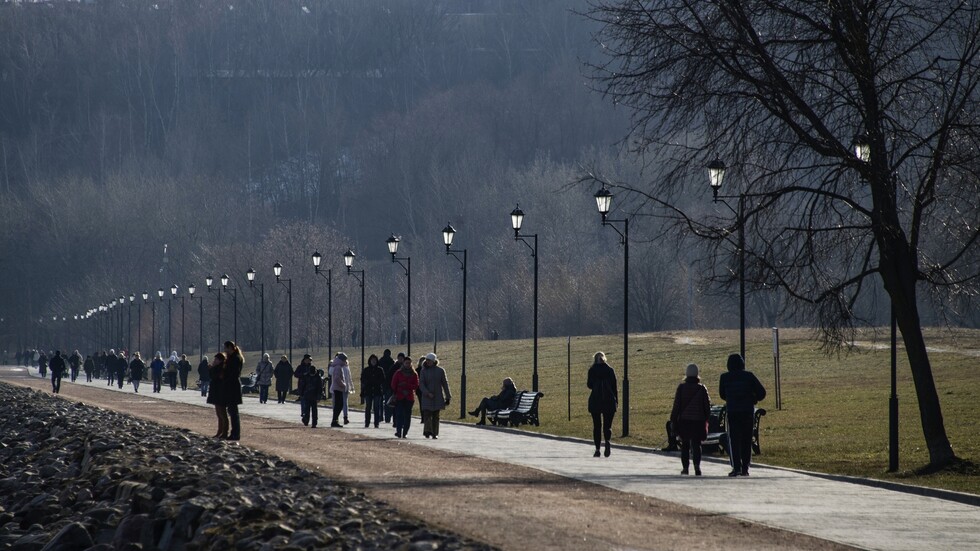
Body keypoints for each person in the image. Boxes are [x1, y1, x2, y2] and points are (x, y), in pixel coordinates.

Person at [719, 353, 766, 477]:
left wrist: (731, 398)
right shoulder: (749, 376)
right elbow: (762, 392)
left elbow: (722, 394)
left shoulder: (724, 377)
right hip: (747, 411)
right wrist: (753, 398)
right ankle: (745, 467)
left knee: (734, 440)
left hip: (733, 411)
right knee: (746, 439)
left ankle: (736, 467)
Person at [670, 363, 712, 476]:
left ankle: (685, 468)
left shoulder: (681, 388)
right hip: (698, 421)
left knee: (685, 445)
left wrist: (673, 419)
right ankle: (697, 467)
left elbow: (677, 406)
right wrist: (706, 418)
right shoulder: (702, 388)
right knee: (696, 444)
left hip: (685, 421)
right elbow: (707, 406)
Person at [587, 351, 618, 458]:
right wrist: (616, 401)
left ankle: (597, 449)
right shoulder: (610, 370)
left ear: (595, 359)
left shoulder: (592, 370)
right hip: (609, 400)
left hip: (595, 400)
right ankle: (607, 441)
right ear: (604, 358)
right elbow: (614, 387)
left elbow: (589, 385)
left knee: (597, 426)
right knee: (607, 425)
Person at [418, 352, 451, 439]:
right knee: (427, 415)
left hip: (437, 397)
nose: (428, 362)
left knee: (436, 416)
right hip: (426, 397)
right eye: (427, 360)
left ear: (434, 361)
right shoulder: (423, 371)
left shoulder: (440, 371)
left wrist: (448, 396)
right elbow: (421, 384)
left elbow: (445, 384)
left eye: (429, 360)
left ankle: (435, 433)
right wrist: (427, 393)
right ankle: (427, 431)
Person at [390, 356, 419, 438]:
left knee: (407, 415)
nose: (408, 364)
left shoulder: (414, 374)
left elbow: (416, 385)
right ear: (403, 363)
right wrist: (399, 389)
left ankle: (405, 432)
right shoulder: (398, 373)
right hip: (399, 397)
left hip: (409, 397)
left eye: (409, 363)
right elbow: (393, 384)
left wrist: (407, 385)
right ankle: (398, 431)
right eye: (406, 363)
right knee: (399, 414)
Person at [223, 341, 244, 441]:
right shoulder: (233, 358)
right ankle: (234, 433)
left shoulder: (235, 359)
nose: (225, 350)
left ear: (230, 348)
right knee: (232, 411)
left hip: (233, 386)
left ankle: (235, 434)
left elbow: (233, 373)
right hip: (232, 386)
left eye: (226, 348)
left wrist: (225, 378)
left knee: (233, 412)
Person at [360, 354, 386, 428]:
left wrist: (377, 382)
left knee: (376, 407)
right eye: (372, 360)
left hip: (377, 390)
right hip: (368, 390)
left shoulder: (380, 369)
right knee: (368, 407)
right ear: (370, 361)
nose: (373, 361)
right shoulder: (366, 370)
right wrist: (367, 383)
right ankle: (367, 422)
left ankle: (376, 423)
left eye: (375, 360)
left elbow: (383, 379)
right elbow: (362, 379)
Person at [294, 354, 320, 427]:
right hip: (304, 389)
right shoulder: (300, 367)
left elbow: (319, 386)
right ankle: (305, 416)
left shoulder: (312, 369)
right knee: (305, 406)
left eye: (310, 360)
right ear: (304, 360)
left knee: (313, 408)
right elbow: (296, 374)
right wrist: (303, 374)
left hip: (312, 392)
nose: (309, 361)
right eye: (308, 360)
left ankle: (312, 421)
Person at [328, 353, 354, 428]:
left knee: (339, 404)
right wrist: (343, 384)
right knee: (339, 405)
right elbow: (337, 378)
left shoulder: (337, 366)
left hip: (337, 388)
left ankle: (335, 420)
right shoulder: (338, 367)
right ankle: (335, 420)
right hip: (338, 388)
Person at [206, 352, 228, 438]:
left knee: (222, 414)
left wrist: (211, 369)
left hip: (220, 393)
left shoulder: (222, 368)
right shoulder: (218, 368)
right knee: (219, 414)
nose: (214, 361)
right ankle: (220, 431)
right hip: (217, 393)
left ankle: (224, 432)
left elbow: (215, 377)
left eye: (216, 359)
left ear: (220, 360)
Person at [382, 351, 403, 423]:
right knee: (391, 404)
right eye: (399, 358)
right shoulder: (394, 367)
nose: (401, 359)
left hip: (401, 389)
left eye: (402, 358)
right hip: (392, 388)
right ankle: (388, 418)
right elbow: (389, 378)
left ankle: (396, 419)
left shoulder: (405, 368)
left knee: (398, 405)